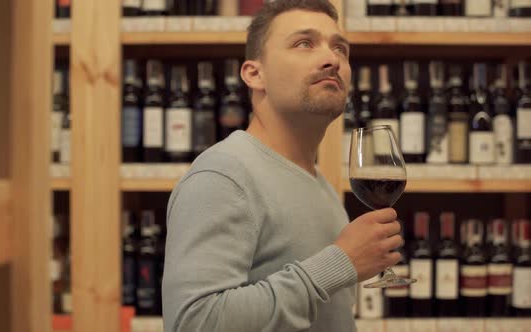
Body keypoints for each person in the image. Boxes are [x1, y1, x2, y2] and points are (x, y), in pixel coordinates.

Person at [162, 1, 403, 331]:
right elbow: (194, 323)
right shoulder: (223, 176)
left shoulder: (322, 188)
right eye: (304, 43)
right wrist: (340, 262)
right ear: (254, 74)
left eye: (340, 49)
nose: (332, 59)